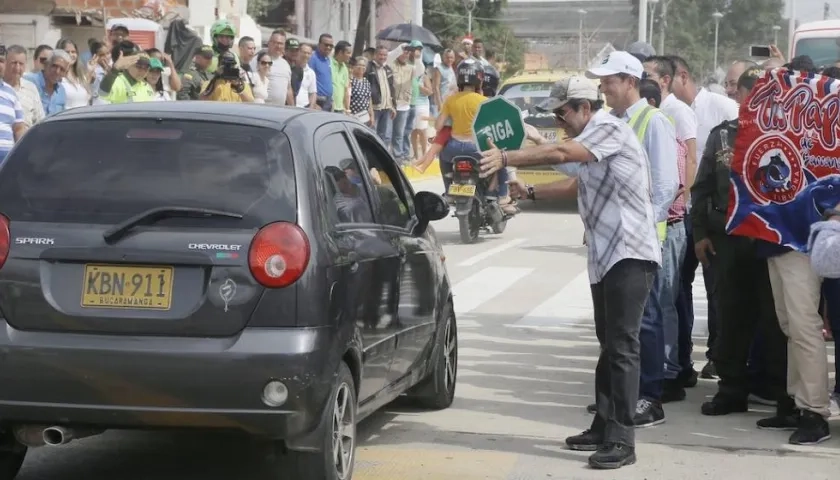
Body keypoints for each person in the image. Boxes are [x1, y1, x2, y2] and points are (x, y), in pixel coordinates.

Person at [482, 75, 660, 469]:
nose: (558, 121)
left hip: (630, 251)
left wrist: (507, 158)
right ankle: (602, 425)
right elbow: (576, 184)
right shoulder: (590, 143)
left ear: (584, 107)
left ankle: (622, 440)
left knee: (623, 346)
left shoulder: (609, 128)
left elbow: (561, 153)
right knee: (608, 343)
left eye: (562, 113)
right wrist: (530, 192)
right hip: (605, 254)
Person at [690, 67, 788, 424]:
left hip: (771, 242)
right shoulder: (723, 135)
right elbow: (701, 188)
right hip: (728, 242)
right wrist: (700, 234)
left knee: (776, 322)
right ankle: (731, 390)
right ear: (742, 96)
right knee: (731, 317)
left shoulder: (785, 134)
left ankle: (782, 394)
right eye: (752, 92)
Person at [435, 59, 514, 214]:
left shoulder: (450, 100)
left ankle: (449, 191)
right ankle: (502, 195)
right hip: (477, 149)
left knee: (442, 157)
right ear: (480, 79)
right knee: (502, 160)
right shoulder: (484, 101)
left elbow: (438, 126)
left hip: (453, 149)